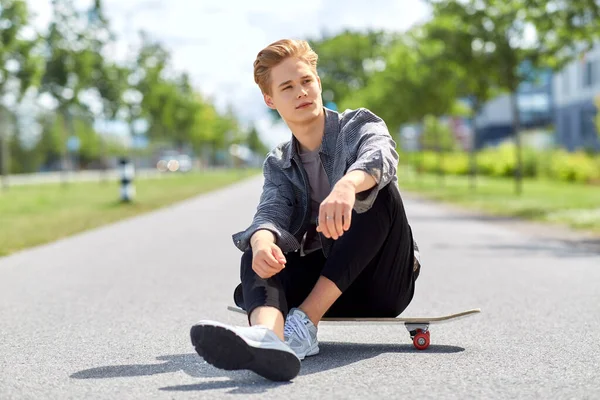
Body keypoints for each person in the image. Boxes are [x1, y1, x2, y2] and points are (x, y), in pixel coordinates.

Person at [190, 38, 422, 382]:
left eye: (306, 81)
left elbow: (381, 155)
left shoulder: (356, 125)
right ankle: (269, 339)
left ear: (318, 83)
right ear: (270, 100)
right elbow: (270, 212)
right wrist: (262, 241)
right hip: (324, 287)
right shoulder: (280, 162)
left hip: (382, 285)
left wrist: (347, 185)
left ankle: (302, 325)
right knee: (259, 243)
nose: (301, 92)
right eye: (287, 86)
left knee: (377, 192)